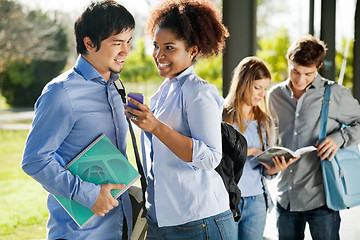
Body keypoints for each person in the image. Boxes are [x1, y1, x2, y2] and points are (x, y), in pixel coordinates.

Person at [22, 1, 135, 239]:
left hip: (119, 226)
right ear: (89, 43)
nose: (126, 51)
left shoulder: (116, 88)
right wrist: (88, 194)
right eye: (117, 43)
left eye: (128, 42)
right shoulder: (61, 93)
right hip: (78, 233)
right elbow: (34, 160)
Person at [124, 0, 235, 239]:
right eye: (156, 46)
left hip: (199, 221)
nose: (159, 55)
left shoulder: (199, 92)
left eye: (169, 47)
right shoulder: (164, 92)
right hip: (161, 219)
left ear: (193, 50)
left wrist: (155, 127)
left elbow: (210, 158)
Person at [267, 35, 360, 240]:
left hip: (321, 198)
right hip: (286, 198)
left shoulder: (335, 93)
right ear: (288, 62)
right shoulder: (274, 96)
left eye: (308, 74)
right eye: (295, 71)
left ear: (318, 67)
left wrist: (339, 138)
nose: (300, 80)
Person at [223, 56, 298, 240]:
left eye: (264, 89)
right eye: (257, 87)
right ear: (243, 83)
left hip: (257, 200)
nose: (261, 94)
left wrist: (275, 169)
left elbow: (266, 172)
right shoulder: (224, 117)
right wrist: (250, 151)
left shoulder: (265, 121)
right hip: (228, 200)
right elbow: (218, 160)